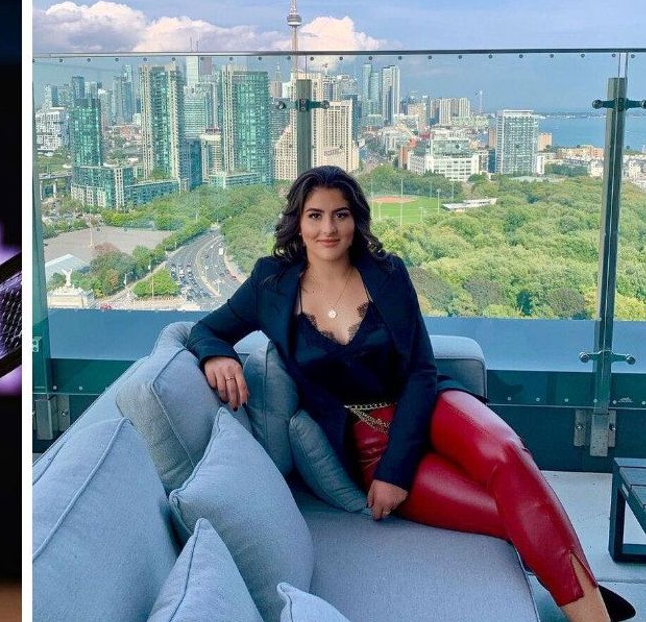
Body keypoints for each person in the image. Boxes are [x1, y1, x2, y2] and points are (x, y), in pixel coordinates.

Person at [187, 165, 634, 622]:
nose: (328, 228)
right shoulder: (270, 284)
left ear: (355, 220)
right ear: (297, 223)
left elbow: (421, 367)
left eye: (340, 215)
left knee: (506, 454)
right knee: (509, 512)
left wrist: (398, 471)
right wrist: (216, 356)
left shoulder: (386, 273)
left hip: (432, 403)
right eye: (315, 215)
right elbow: (205, 330)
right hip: (368, 442)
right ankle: (591, 599)